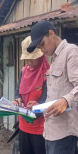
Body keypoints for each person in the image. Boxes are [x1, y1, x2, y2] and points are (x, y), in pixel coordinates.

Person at [27, 21, 78, 154]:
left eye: (42, 44)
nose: (42, 50)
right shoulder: (54, 59)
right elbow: (56, 94)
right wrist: (40, 105)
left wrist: (66, 100)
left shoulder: (71, 52)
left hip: (64, 134)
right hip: (50, 132)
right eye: (39, 47)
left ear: (51, 33)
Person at [13, 36, 49, 154]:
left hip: (40, 126)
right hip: (23, 123)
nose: (29, 63)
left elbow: (47, 100)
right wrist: (17, 99)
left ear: (40, 56)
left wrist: (37, 105)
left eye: (32, 59)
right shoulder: (24, 71)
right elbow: (18, 90)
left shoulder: (47, 74)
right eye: (27, 60)